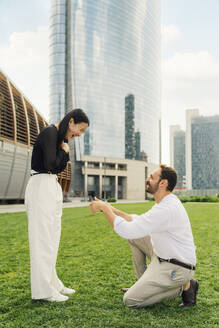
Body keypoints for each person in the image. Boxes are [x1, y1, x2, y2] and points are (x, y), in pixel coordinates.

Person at [90, 164, 198, 308]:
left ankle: (181, 287)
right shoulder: (165, 202)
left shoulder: (166, 209)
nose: (147, 179)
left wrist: (104, 208)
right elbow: (137, 221)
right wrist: (110, 209)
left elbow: (127, 230)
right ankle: (144, 285)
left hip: (176, 267)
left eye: (152, 177)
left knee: (130, 300)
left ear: (163, 183)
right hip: (163, 257)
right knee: (135, 237)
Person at [25, 108, 89, 302]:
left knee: (52, 239)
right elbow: (52, 164)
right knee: (42, 240)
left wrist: (64, 151)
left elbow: (57, 168)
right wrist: (64, 152)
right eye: (81, 128)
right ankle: (43, 290)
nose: (80, 133)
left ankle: (53, 283)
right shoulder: (50, 133)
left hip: (51, 185)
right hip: (41, 185)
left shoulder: (61, 139)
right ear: (71, 122)